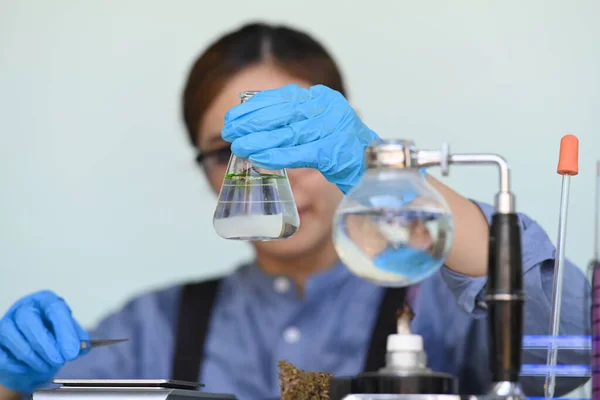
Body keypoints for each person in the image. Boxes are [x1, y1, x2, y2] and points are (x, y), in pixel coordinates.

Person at [0, 22, 591, 400]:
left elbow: (564, 356)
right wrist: (14, 383)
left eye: (290, 145)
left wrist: (392, 182)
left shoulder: (437, 301)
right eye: (234, 154)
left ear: (339, 140)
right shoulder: (154, 327)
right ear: (209, 171)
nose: (272, 179)